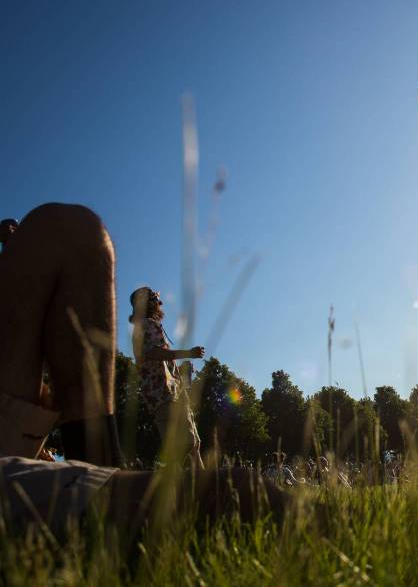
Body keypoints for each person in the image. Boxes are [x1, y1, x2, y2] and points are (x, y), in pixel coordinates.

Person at [0, 204, 284, 536]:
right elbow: (151, 355)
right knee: (225, 485)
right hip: (159, 395)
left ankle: (99, 460)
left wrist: (183, 374)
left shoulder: (150, 326)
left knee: (77, 228)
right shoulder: (146, 328)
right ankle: (121, 489)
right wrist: (186, 353)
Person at [129, 286, 205, 469]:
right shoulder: (148, 324)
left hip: (166, 395)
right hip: (165, 395)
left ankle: (204, 494)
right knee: (186, 444)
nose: (160, 304)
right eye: (157, 300)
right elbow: (155, 353)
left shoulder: (143, 327)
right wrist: (189, 353)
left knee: (193, 445)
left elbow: (155, 363)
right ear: (151, 303)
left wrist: (182, 372)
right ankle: (168, 488)